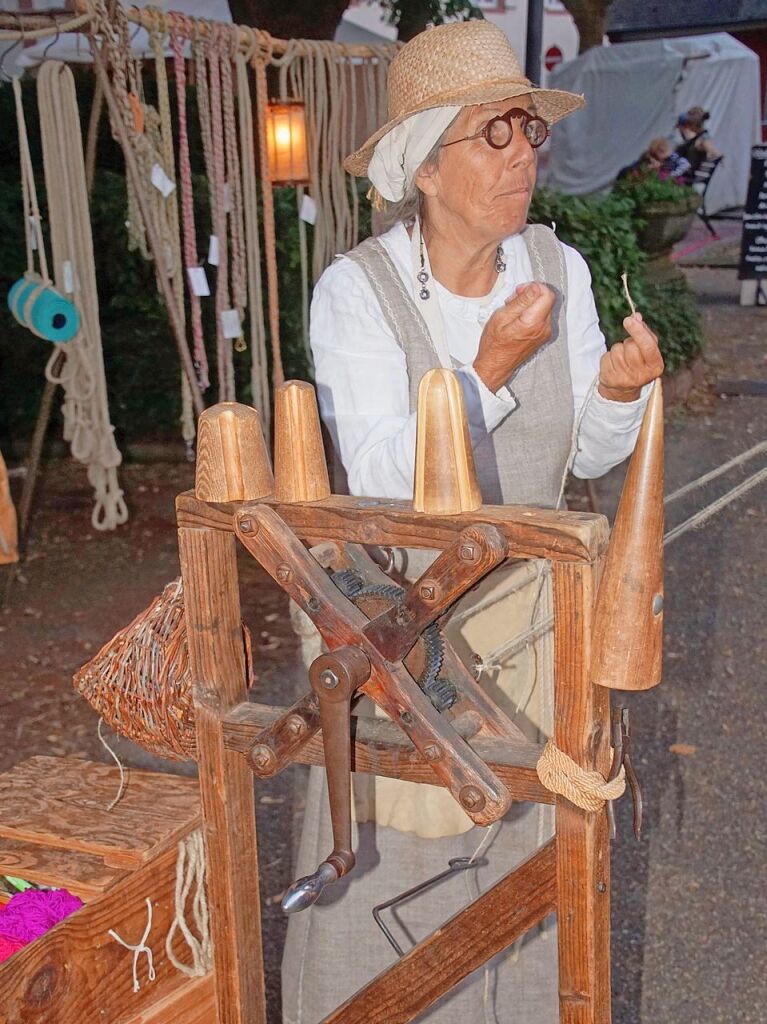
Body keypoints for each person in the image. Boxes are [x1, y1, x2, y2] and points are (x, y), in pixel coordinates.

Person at [282, 20, 664, 1024]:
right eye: (492, 136)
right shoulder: (353, 296)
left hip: (537, 629)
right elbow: (376, 480)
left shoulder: (555, 266)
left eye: (525, 131)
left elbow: (580, 454)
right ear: (425, 167)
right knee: (399, 866)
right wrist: (483, 372)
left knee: (526, 866)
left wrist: (617, 395)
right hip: (398, 633)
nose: (522, 156)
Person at [675, 105, 720, 181]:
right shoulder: (697, 137)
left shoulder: (702, 138)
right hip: (680, 173)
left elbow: (709, 146)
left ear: (693, 124)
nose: (687, 127)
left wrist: (715, 153)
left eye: (688, 124)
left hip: (683, 178)